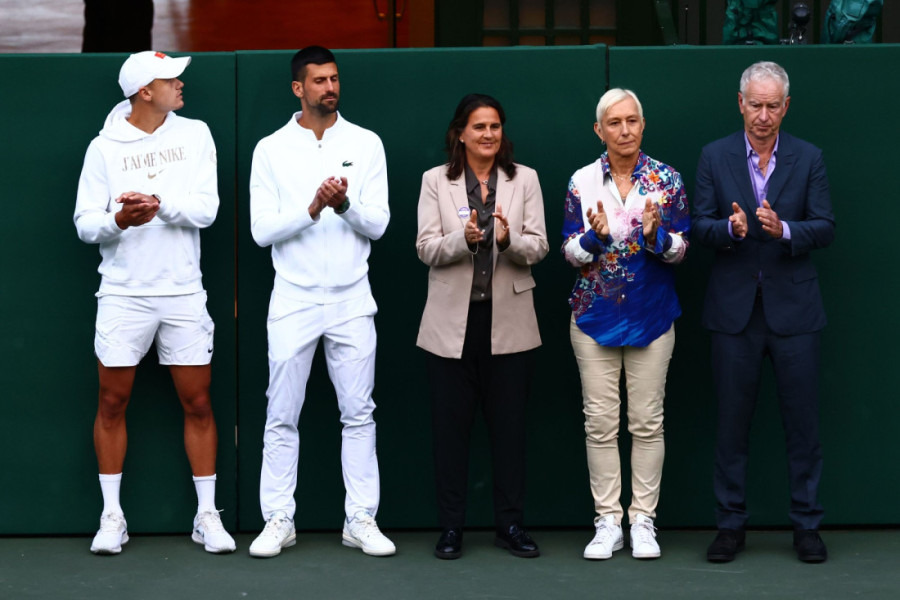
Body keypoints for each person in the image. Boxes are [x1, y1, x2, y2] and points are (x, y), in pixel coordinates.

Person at [74, 50, 235, 555]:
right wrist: (120, 222)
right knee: (111, 402)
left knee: (200, 403)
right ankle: (112, 517)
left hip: (184, 292)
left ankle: (206, 516)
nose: (182, 85)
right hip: (123, 295)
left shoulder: (197, 134)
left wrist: (160, 207)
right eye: (172, 80)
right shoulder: (102, 148)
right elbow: (84, 223)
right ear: (146, 91)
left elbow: (208, 210)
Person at [248, 46, 394, 558]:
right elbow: (261, 230)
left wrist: (345, 205)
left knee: (359, 413)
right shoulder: (270, 149)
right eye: (318, 81)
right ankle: (278, 519)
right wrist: (311, 209)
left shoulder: (366, 143)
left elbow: (378, 224)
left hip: (354, 299)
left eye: (334, 79)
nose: (329, 88)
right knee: (281, 414)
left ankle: (360, 520)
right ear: (298, 89)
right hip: (293, 299)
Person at [693, 61, 835, 563]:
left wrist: (786, 231)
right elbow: (698, 226)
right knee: (731, 425)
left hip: (796, 312)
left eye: (773, 105)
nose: (763, 115)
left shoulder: (809, 157)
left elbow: (826, 226)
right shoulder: (714, 156)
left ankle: (807, 526)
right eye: (755, 104)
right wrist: (730, 231)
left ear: (786, 108)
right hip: (734, 313)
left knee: (803, 426)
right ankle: (730, 526)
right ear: (740, 104)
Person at [416, 93, 548, 559]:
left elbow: (540, 247)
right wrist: (463, 239)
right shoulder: (436, 181)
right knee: (450, 434)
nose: (488, 135)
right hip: (450, 327)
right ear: (460, 134)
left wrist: (509, 240)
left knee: (509, 433)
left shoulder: (524, 179)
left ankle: (510, 525)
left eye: (495, 126)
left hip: (509, 324)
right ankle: (451, 528)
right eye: (479, 127)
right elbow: (426, 248)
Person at [561, 89, 690, 561]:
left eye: (632, 120)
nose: (625, 130)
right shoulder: (581, 181)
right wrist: (592, 239)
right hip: (594, 318)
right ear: (600, 130)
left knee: (647, 423)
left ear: (642, 124)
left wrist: (658, 235)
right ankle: (607, 521)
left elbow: (681, 251)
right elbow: (569, 254)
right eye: (614, 123)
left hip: (652, 316)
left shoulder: (667, 179)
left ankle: (643, 521)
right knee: (599, 425)